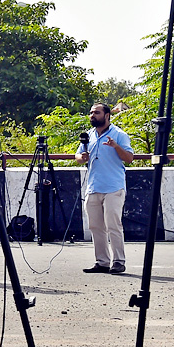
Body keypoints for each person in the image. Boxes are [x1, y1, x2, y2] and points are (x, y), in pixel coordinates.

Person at [75, 102, 134, 274]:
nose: (92, 115)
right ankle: (102, 262)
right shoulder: (89, 135)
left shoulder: (119, 134)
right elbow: (78, 156)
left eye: (97, 113)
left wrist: (116, 146)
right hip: (93, 186)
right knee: (95, 226)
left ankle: (119, 261)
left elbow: (129, 158)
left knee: (113, 225)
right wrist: (82, 157)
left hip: (113, 187)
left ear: (107, 115)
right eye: (91, 112)